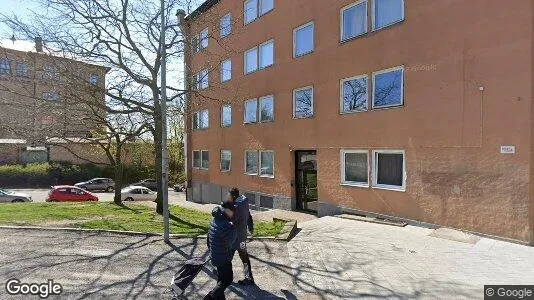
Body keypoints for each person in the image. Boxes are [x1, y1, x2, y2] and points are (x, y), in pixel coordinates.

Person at [205, 201, 236, 300]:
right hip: (223, 258)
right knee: (227, 280)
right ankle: (210, 297)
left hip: (215, 255)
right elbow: (231, 241)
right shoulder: (226, 224)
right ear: (227, 211)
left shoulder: (215, 219)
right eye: (232, 211)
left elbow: (208, 239)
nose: (233, 213)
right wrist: (233, 227)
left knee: (221, 279)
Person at [227, 188, 255, 286]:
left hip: (235, 238)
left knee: (227, 257)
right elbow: (249, 216)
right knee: (244, 258)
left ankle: (225, 277)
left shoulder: (237, 207)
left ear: (234, 196)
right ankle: (249, 277)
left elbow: (231, 220)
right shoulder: (244, 203)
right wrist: (251, 228)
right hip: (242, 237)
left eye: (230, 196)